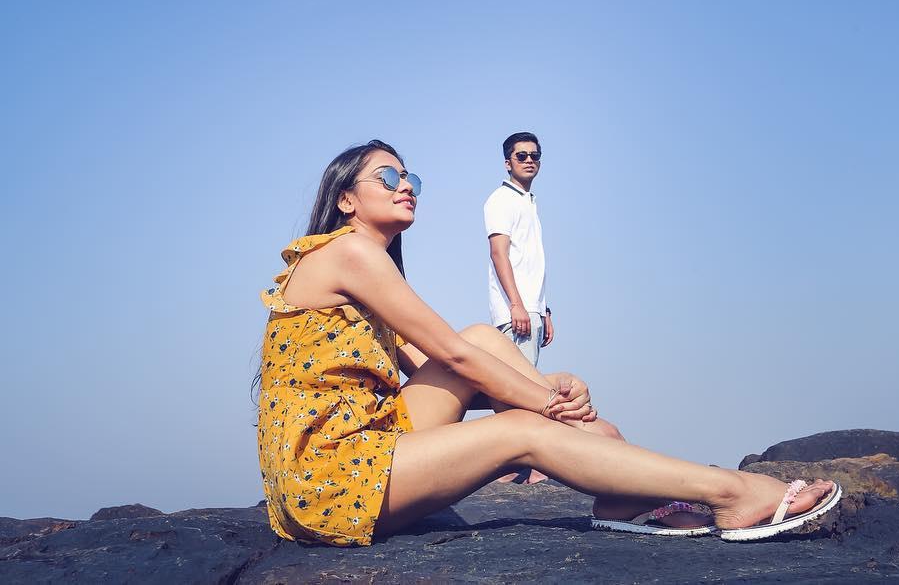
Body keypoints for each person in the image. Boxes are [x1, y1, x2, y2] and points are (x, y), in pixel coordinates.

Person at [256, 140, 841, 547]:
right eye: (389, 176)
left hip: (364, 444)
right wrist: (544, 407)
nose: (406, 184)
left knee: (485, 337)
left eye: (411, 177)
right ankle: (731, 493)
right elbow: (455, 361)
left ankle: (614, 482)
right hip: (329, 479)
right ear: (346, 199)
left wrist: (546, 384)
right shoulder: (348, 253)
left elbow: (451, 366)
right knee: (523, 431)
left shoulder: (368, 267)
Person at [484, 131, 551, 367]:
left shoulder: (527, 200)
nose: (529, 160)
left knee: (524, 385)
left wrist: (544, 310)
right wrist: (517, 305)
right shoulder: (502, 199)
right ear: (508, 163)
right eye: (521, 156)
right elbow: (498, 253)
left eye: (535, 155)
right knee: (519, 390)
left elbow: (529, 262)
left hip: (531, 310)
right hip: (516, 312)